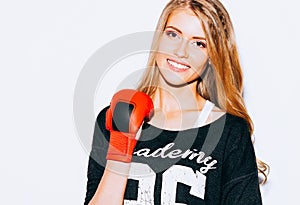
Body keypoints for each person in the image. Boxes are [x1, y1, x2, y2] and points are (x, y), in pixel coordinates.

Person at [84, 0, 269, 204]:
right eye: (173, 34)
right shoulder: (117, 115)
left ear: (212, 55)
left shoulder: (229, 131)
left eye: (199, 43)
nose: (181, 51)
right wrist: (122, 144)